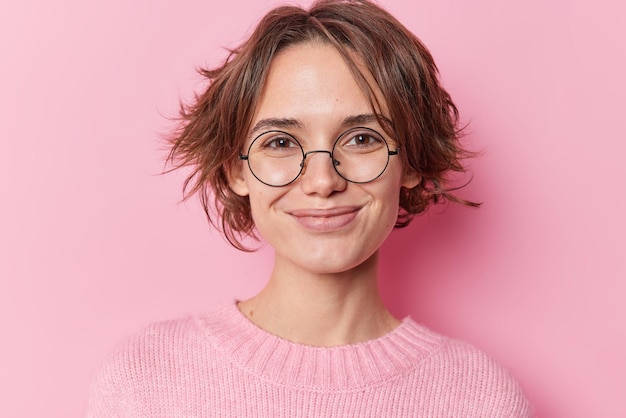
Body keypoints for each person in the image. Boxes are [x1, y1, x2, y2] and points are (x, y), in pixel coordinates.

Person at [87, 0, 531, 416]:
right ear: (236, 170)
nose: (323, 182)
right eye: (280, 142)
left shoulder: (479, 399)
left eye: (362, 139)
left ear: (411, 161)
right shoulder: (144, 383)